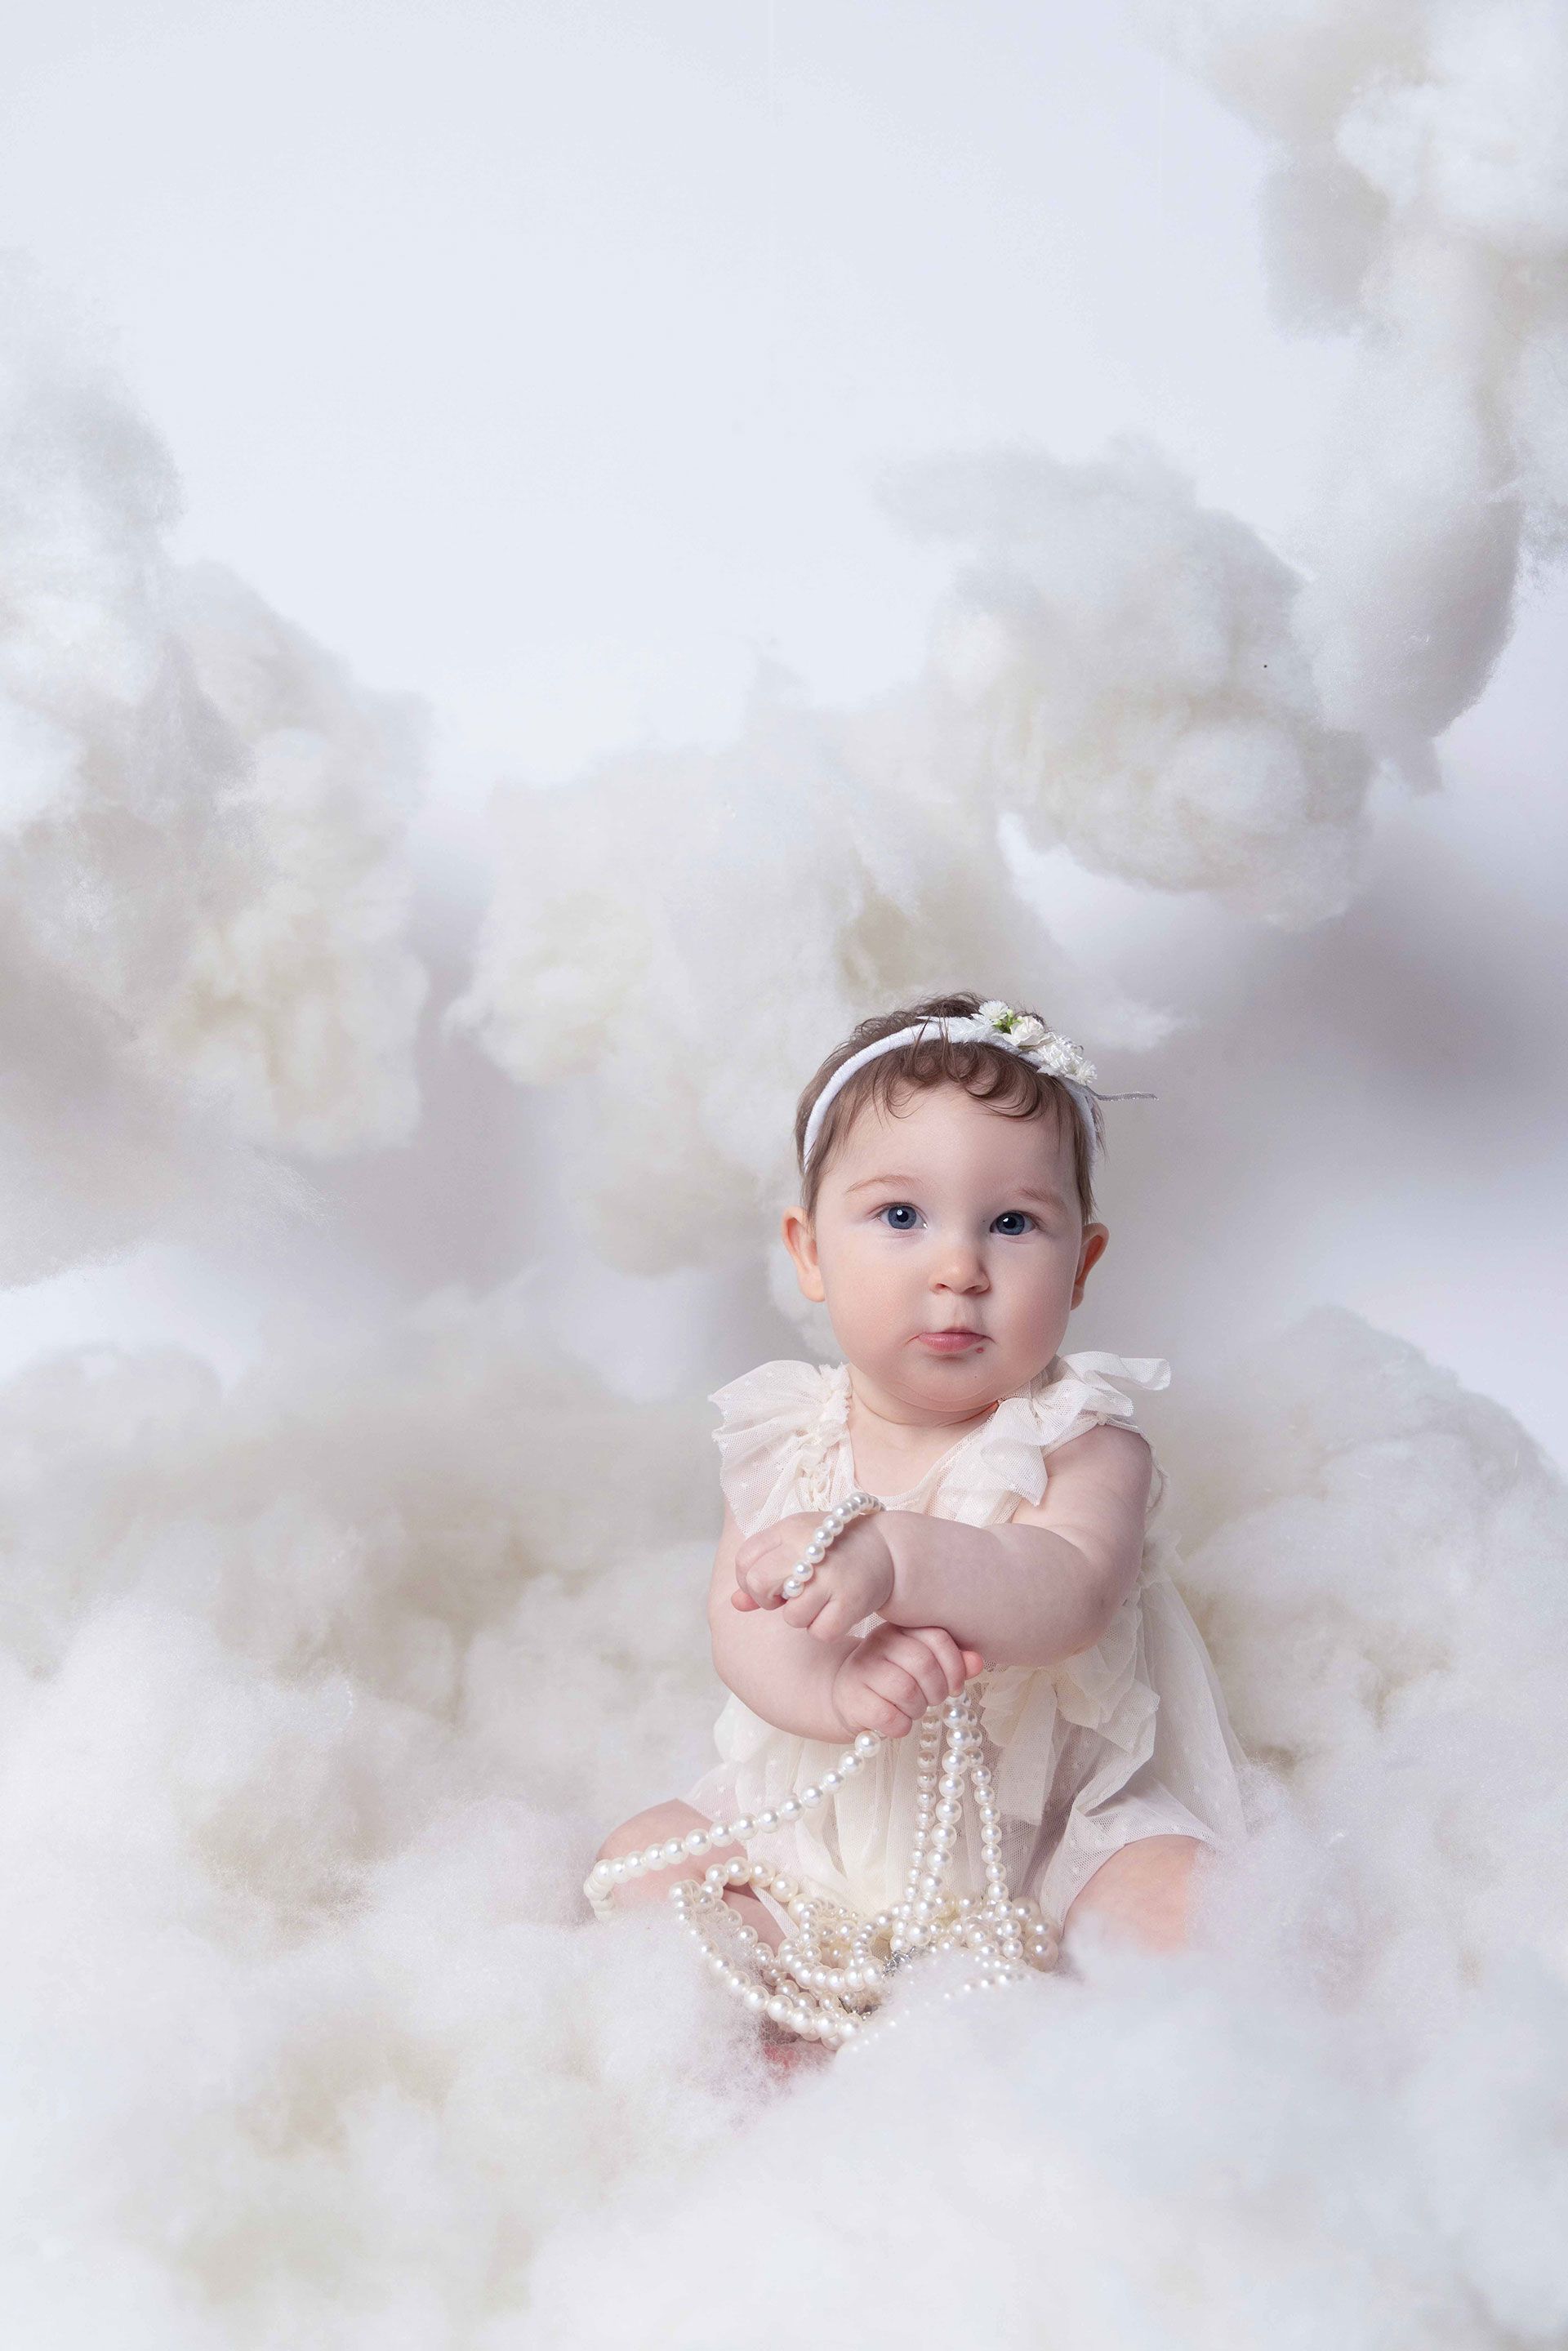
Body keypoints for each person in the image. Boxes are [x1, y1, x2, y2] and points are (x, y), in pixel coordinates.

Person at [584, 992, 1248, 1975]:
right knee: (639, 1859)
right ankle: (792, 2005)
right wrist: (835, 1686)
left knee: (1194, 1899)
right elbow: (745, 1627)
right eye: (901, 1214)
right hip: (819, 1820)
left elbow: (1065, 1587)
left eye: (1013, 1222)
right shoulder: (785, 1439)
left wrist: (896, 1554)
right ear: (810, 1250)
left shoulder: (1084, 1439)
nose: (959, 1266)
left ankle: (1050, 1997)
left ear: (1082, 1264)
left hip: (1050, 1845)